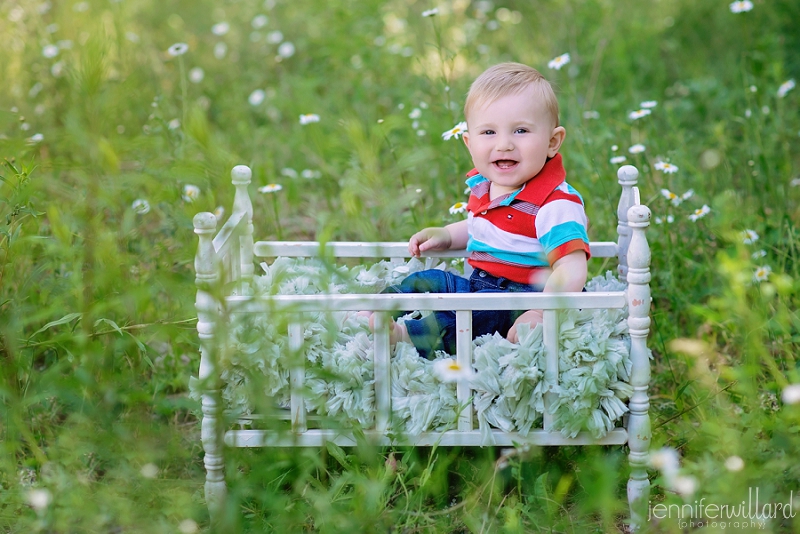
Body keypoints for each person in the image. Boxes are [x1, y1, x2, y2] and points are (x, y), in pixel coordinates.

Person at [374, 62, 590, 359]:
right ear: (469, 142)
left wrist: (541, 311)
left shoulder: (554, 203)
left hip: (519, 301)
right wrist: (446, 236)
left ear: (553, 142)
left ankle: (404, 336)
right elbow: (479, 227)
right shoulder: (488, 187)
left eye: (521, 130)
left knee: (467, 322)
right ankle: (376, 310)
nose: (504, 144)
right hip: (481, 284)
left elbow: (572, 267)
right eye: (488, 132)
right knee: (429, 280)